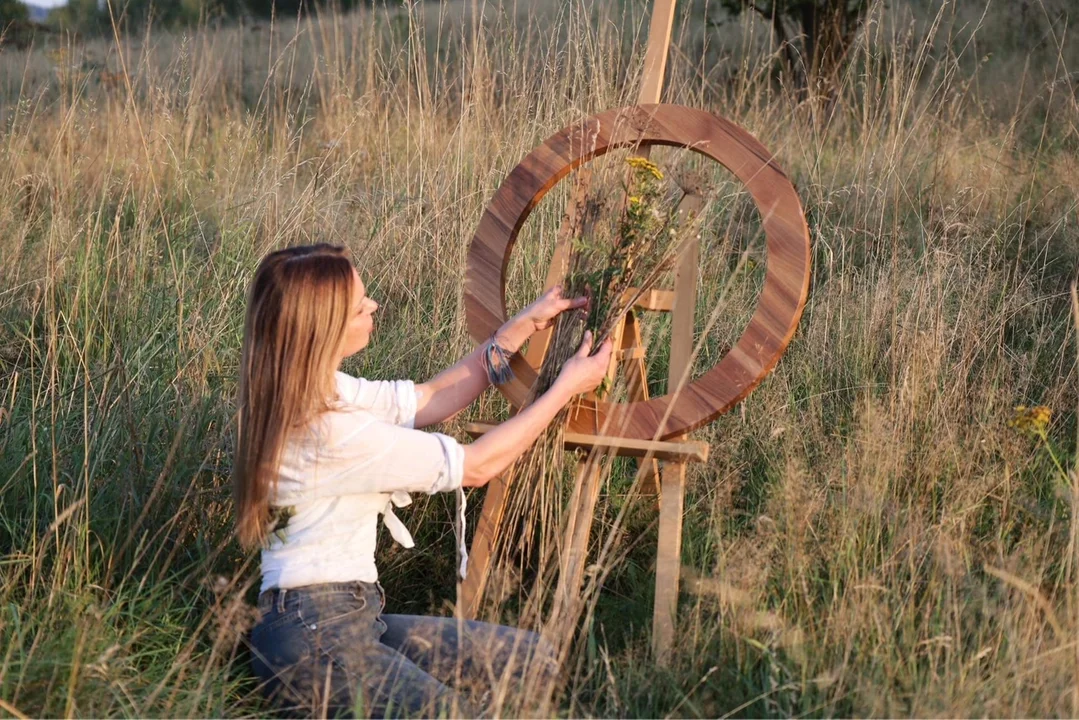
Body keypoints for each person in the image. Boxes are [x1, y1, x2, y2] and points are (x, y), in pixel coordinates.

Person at [233, 244, 613, 718]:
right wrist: (564, 390)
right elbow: (476, 466)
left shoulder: (312, 388)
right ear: (323, 328)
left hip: (343, 620)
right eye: (359, 305)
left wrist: (520, 328)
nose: (373, 306)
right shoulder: (325, 429)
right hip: (315, 636)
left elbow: (429, 399)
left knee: (529, 660)